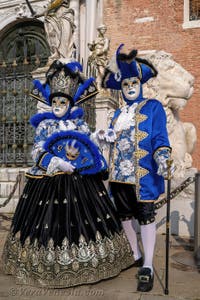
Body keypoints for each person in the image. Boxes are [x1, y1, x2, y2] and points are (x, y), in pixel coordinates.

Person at [2, 60, 134, 288]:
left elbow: (87, 145)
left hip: (80, 180)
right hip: (48, 181)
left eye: (62, 101)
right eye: (54, 101)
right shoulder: (45, 126)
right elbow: (37, 151)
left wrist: (99, 136)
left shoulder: (78, 124)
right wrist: (55, 162)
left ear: (70, 103)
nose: (58, 105)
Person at [99, 44, 175, 292]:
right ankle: (134, 253)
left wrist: (163, 156)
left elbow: (159, 137)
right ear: (121, 88)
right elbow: (113, 140)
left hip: (142, 175)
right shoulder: (117, 113)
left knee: (145, 217)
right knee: (124, 216)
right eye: (125, 84)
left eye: (133, 83)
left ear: (140, 84)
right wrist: (105, 138)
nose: (130, 88)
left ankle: (149, 265)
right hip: (119, 176)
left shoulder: (153, 107)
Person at [88, 24, 110, 90]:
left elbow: (105, 48)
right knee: (95, 72)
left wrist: (99, 52)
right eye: (102, 29)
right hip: (94, 56)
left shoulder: (106, 39)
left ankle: (99, 85)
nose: (104, 31)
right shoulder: (96, 39)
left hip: (102, 56)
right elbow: (92, 49)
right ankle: (98, 86)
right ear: (99, 30)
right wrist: (90, 46)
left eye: (104, 29)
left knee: (102, 72)